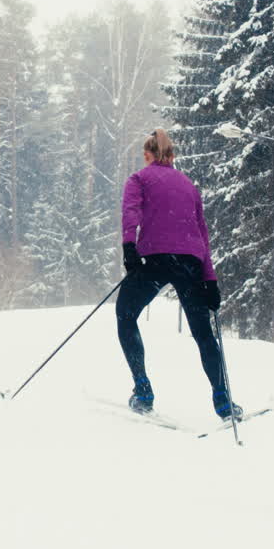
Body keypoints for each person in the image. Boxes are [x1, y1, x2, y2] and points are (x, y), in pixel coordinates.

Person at [117, 128, 240, 422]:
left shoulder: (139, 179)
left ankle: (143, 391)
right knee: (203, 333)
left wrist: (129, 248)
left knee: (125, 314)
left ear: (149, 155)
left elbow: (130, 212)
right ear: (172, 156)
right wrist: (210, 280)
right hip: (190, 262)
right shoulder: (188, 185)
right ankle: (224, 403)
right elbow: (202, 233)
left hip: (157, 260)